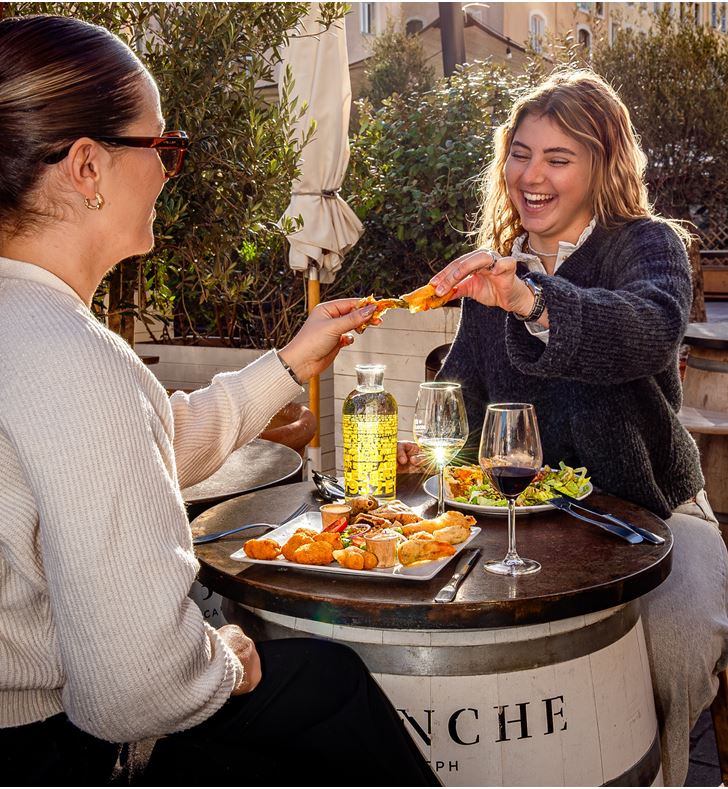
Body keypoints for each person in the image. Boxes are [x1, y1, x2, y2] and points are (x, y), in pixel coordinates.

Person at [0, 15, 438, 786]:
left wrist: (290, 361)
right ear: (87, 167)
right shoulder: (74, 359)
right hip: (49, 752)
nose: (171, 171)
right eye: (163, 147)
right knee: (329, 690)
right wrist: (229, 662)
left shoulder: (29, 326)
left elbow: (152, 435)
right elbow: (135, 687)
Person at [404, 68, 728, 786]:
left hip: (655, 510)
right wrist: (426, 445)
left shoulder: (648, 246)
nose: (532, 175)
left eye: (558, 158)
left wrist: (530, 297)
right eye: (520, 153)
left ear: (602, 164)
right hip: (526, 522)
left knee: (673, 651)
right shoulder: (498, 266)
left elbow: (646, 330)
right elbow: (463, 385)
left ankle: (660, 775)